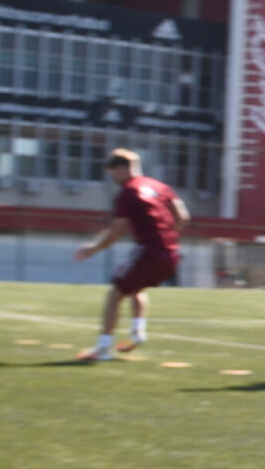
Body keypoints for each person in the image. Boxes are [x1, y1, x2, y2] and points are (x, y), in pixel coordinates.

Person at [72, 149, 187, 362]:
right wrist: (166, 237)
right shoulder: (159, 186)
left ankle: (103, 349)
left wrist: (93, 248)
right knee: (135, 288)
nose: (113, 177)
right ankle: (137, 332)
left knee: (114, 295)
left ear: (123, 168)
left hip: (149, 251)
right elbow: (183, 216)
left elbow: (117, 231)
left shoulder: (128, 192)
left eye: (114, 172)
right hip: (172, 253)